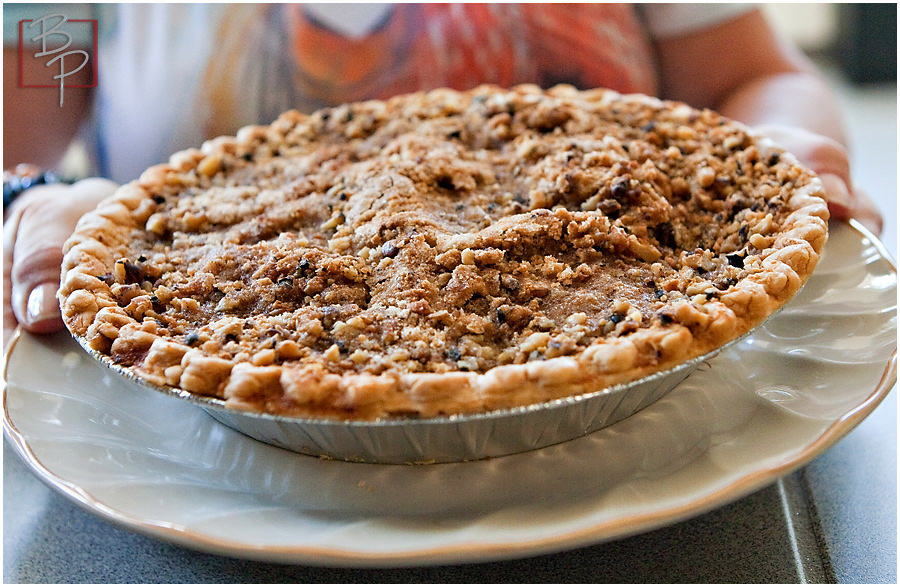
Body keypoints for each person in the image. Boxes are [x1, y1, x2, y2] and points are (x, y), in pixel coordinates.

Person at [2, 3, 883, 350]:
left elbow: (747, 74)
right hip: (200, 391)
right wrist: (35, 201)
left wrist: (786, 143)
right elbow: (20, 127)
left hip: (653, 356)